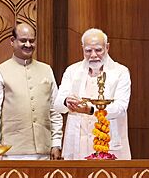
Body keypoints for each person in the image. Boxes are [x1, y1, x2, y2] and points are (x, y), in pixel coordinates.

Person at [0, 22, 63, 160]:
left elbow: (55, 111)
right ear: (12, 41)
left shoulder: (46, 70)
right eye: (23, 40)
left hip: (44, 153)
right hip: (11, 153)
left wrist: (56, 143)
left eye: (32, 41)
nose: (28, 45)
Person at [54, 28, 131, 160]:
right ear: (83, 48)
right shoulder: (72, 71)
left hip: (109, 143)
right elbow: (57, 105)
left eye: (98, 50)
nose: (93, 55)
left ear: (107, 47)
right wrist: (67, 101)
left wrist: (90, 109)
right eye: (88, 50)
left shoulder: (120, 72)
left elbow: (120, 108)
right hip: (77, 144)